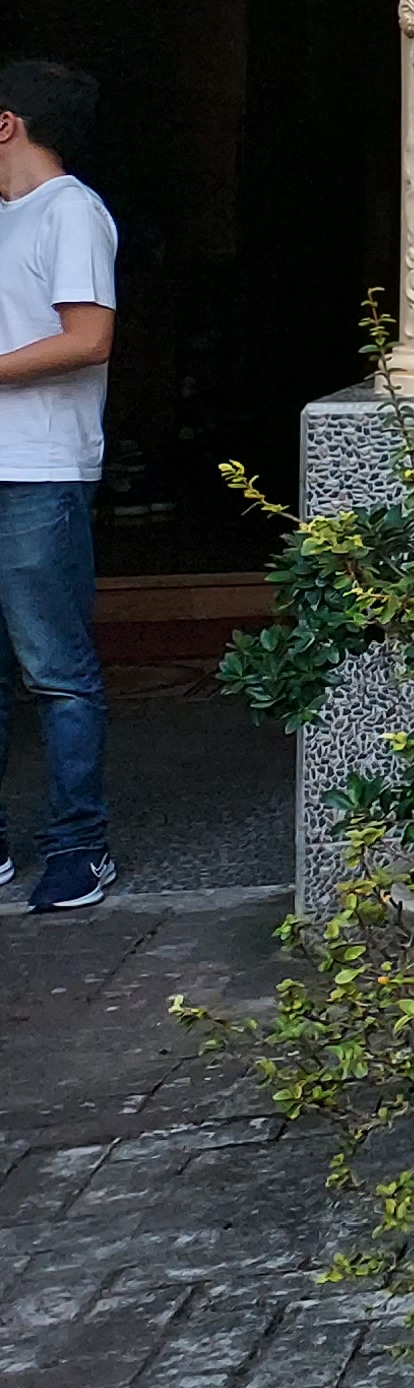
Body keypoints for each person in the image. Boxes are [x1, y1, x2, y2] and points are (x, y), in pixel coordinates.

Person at [0, 58, 116, 914]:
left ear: (6, 124)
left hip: (41, 470)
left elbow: (89, 338)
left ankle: (79, 847)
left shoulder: (70, 211)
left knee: (56, 673)